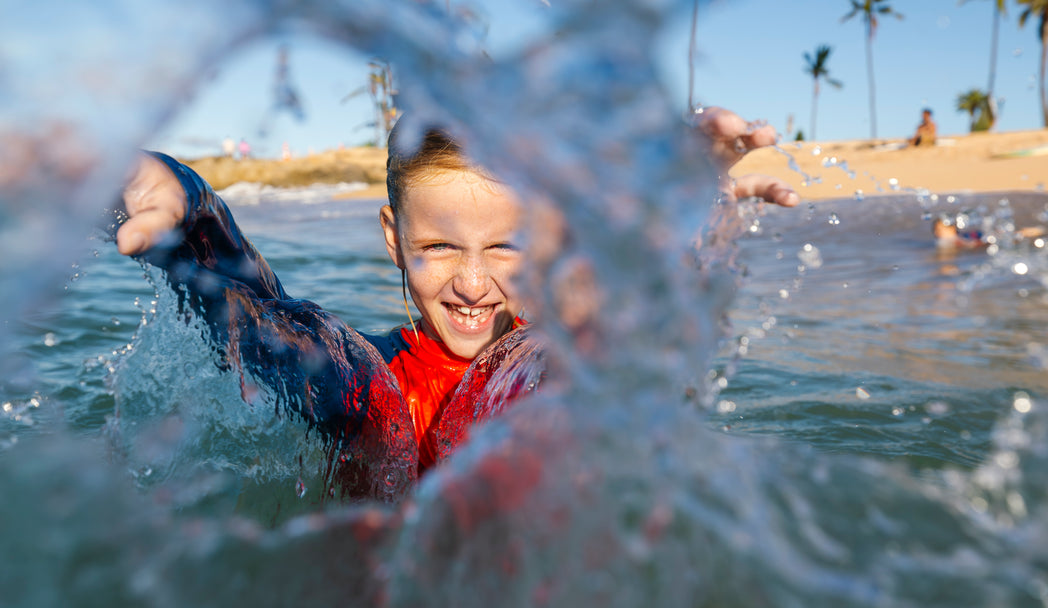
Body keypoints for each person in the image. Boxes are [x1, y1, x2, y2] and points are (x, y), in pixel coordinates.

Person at [114, 107, 797, 500]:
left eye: (507, 246)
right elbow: (265, 320)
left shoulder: (551, 364)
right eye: (439, 246)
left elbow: (639, 342)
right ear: (394, 237)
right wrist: (189, 214)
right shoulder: (368, 377)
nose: (472, 283)